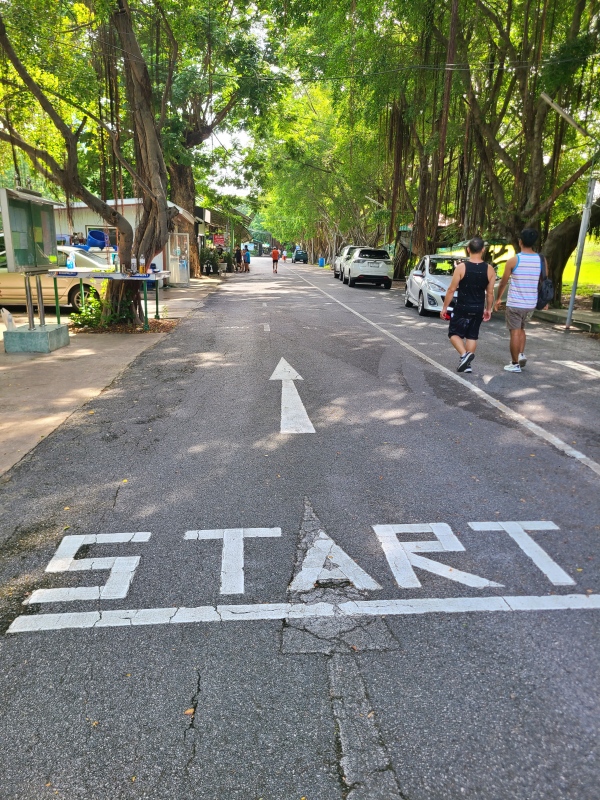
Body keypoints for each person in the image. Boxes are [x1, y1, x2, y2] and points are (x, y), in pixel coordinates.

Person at [440, 236, 496, 373]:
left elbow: (451, 289)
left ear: (468, 249)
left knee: (453, 333)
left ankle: (464, 356)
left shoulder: (461, 267)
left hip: (462, 306)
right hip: (478, 307)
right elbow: (490, 293)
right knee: (472, 335)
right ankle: (467, 364)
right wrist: (488, 309)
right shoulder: (490, 269)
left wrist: (445, 307)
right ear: (483, 250)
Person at [494, 228, 542, 373]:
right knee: (522, 329)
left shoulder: (515, 260)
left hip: (515, 303)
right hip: (531, 303)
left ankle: (515, 364)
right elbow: (542, 280)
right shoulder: (541, 260)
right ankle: (521, 354)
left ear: (520, 242)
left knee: (514, 332)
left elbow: (503, 282)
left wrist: (498, 299)